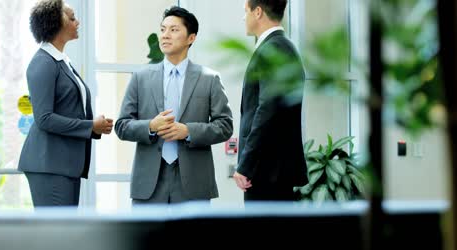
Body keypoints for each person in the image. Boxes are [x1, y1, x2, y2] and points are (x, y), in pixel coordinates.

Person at [115, 6, 233, 204]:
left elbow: (225, 126)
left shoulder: (209, 79)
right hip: (149, 184)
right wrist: (151, 126)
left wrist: (188, 131)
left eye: (174, 30)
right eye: (163, 29)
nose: (165, 36)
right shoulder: (140, 77)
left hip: (194, 183)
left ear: (191, 38)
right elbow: (122, 125)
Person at [18, 0, 113, 207]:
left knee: (63, 233)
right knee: (54, 235)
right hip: (49, 165)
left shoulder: (62, 61)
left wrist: (96, 126)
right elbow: (44, 119)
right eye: (71, 18)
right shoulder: (43, 62)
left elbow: (69, 108)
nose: (77, 22)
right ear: (54, 24)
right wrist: (90, 126)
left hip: (64, 164)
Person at [233, 0, 307, 201]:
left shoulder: (274, 49)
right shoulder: (278, 46)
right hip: (269, 170)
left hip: (268, 171)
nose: (243, 17)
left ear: (258, 12)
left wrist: (246, 164)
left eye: (245, 11)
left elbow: (267, 110)